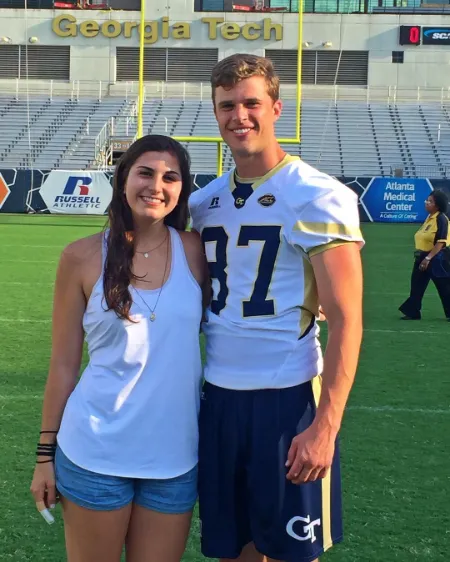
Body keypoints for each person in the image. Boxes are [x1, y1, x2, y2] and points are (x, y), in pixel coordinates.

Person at [189, 54, 364, 562]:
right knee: (232, 546)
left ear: (276, 108)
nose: (238, 116)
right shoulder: (206, 203)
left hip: (286, 398)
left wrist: (325, 426)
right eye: (227, 105)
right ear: (215, 112)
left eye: (251, 103)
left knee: (290, 551)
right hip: (218, 397)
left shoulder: (317, 195)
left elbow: (348, 320)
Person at [30, 135, 209, 562]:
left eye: (171, 177)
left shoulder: (195, 251)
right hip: (94, 452)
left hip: (174, 459)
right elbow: (63, 365)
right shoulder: (80, 257)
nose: (156, 186)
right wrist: (44, 456)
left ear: (181, 189)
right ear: (122, 179)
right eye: (145, 172)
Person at [399, 190, 450, 321]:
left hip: (437, 258)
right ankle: (413, 312)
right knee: (417, 285)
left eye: (430, 201)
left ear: (437, 205)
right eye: (427, 200)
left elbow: (441, 241)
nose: (426, 203)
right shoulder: (429, 218)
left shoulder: (441, 219)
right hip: (422, 256)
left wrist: (428, 258)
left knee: (444, 287)